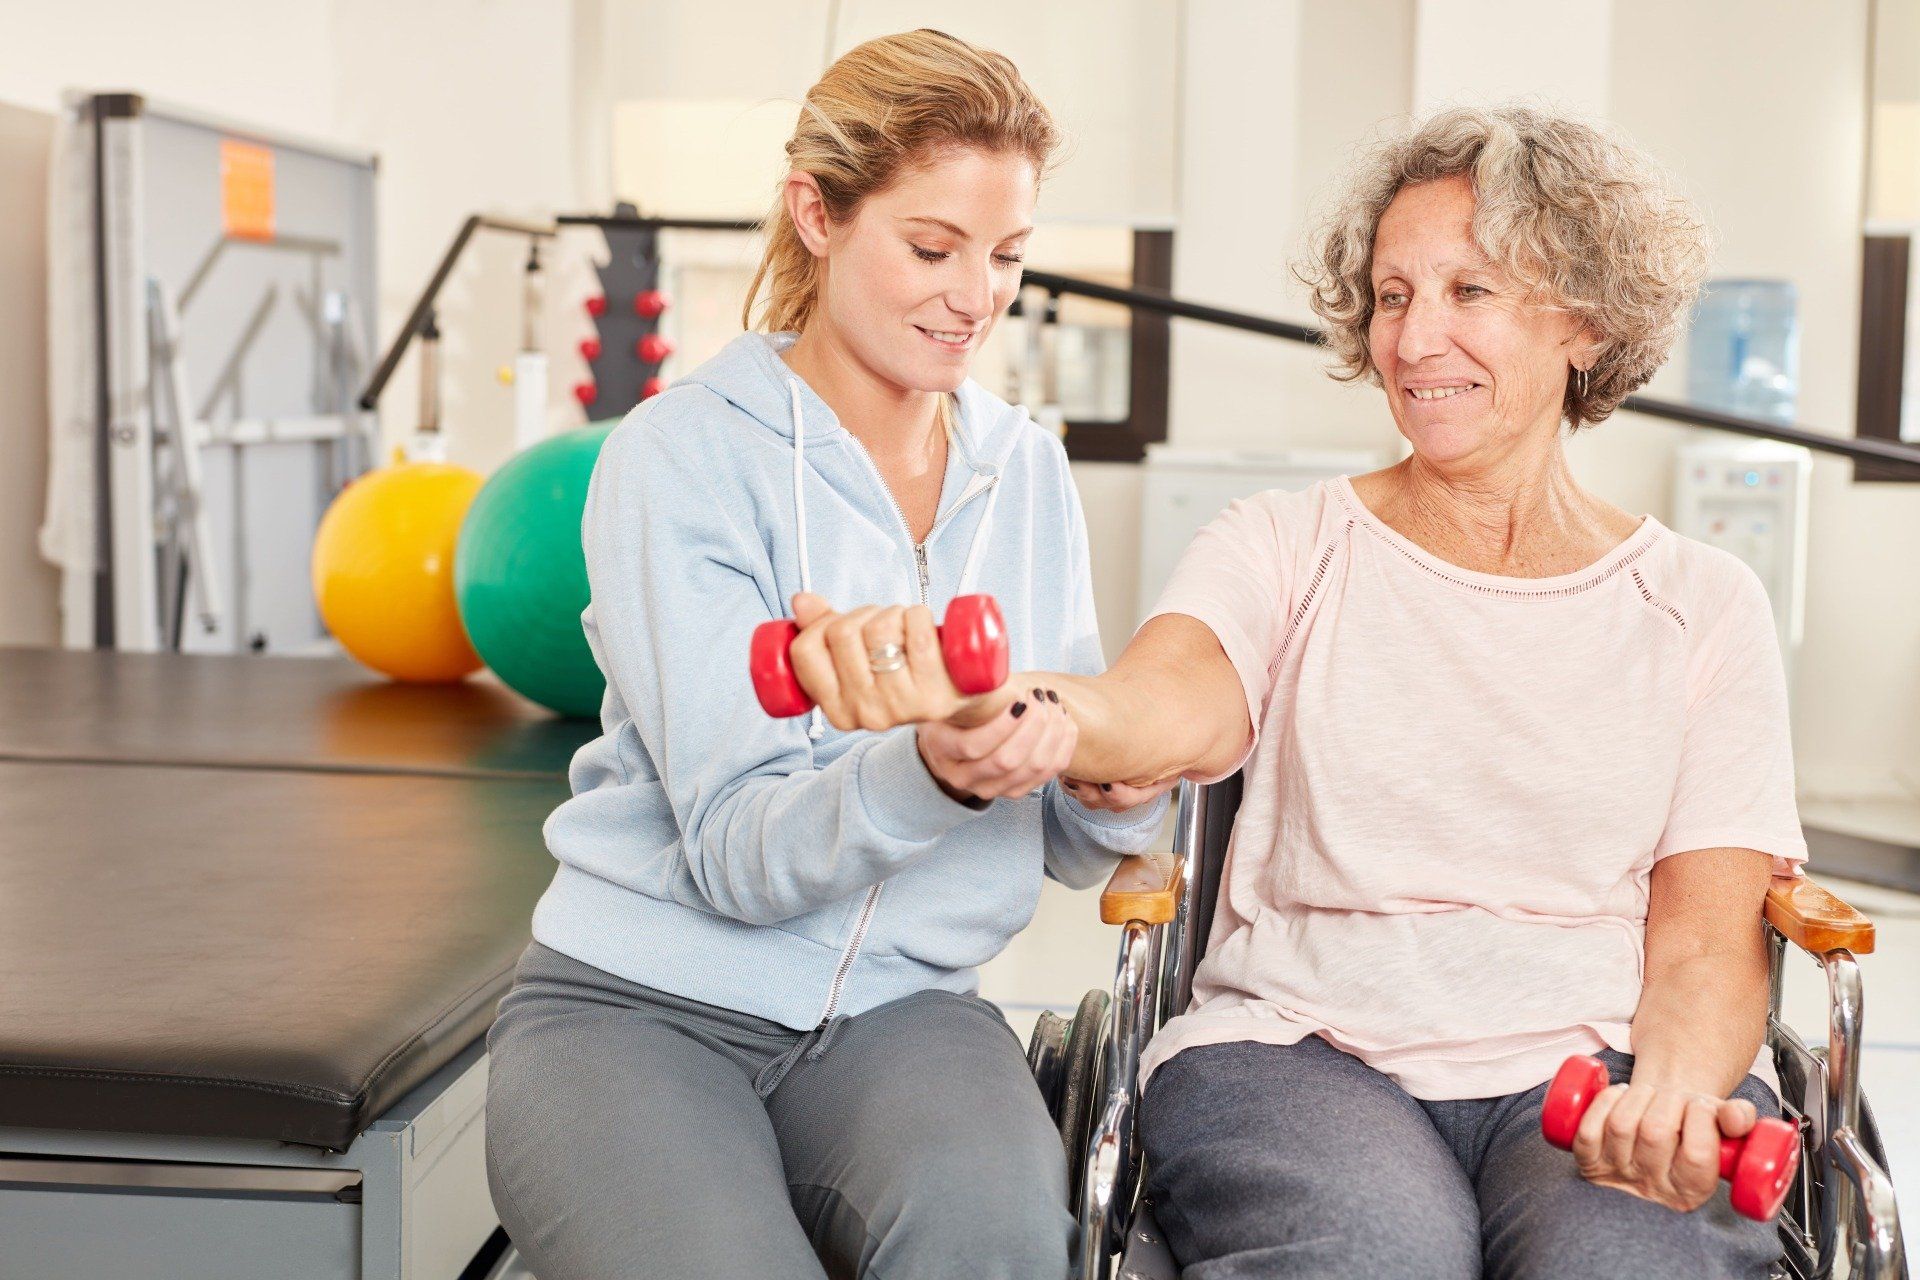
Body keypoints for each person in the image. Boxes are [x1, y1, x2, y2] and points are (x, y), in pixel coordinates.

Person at [787, 104, 1802, 1278]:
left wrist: (1669, 1100)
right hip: (1298, 1049)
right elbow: (1164, 702)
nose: (1415, 340)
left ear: (1583, 317)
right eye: (1390, 295)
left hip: (1597, 1063)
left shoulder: (1702, 603)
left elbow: (1703, 944)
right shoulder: (1285, 543)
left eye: (1469, 292)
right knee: (1370, 1258)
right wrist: (1006, 700)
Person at [481, 29, 1169, 1280]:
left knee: (1002, 1246)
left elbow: (1071, 846)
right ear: (817, 213)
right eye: (932, 247)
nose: (977, 296)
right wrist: (936, 768)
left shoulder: (1028, 472)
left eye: (1007, 256)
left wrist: (1114, 780)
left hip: (907, 1015)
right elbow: (741, 854)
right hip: (634, 1010)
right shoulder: (678, 457)